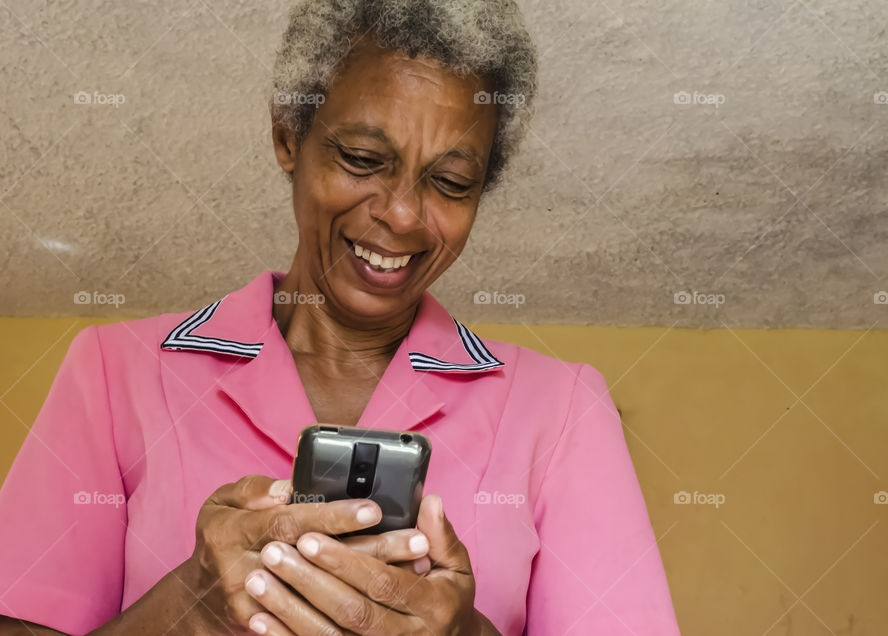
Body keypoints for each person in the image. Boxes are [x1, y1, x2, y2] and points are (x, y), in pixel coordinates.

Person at [0, 1, 680, 634]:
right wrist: (194, 604)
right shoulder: (117, 374)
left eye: (449, 182)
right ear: (288, 137)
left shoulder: (559, 411)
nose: (404, 214)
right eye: (362, 158)